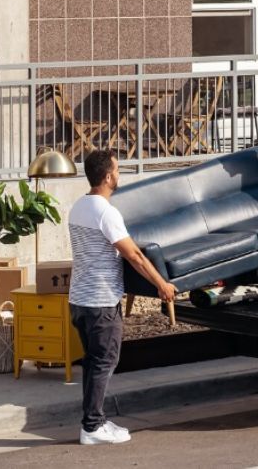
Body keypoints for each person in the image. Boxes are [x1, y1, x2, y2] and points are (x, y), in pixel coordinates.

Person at [68, 150, 177, 445]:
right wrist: (162, 284)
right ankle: (92, 427)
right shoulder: (106, 212)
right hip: (101, 301)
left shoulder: (78, 206)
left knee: (93, 362)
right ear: (107, 177)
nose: (119, 174)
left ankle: (95, 421)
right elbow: (135, 255)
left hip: (79, 299)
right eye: (117, 170)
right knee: (104, 361)